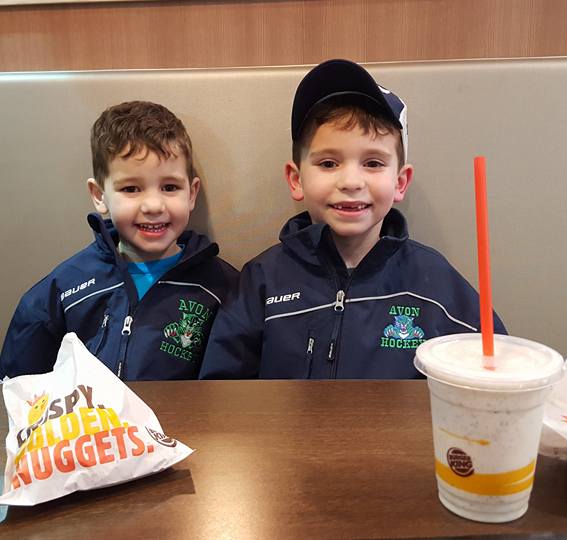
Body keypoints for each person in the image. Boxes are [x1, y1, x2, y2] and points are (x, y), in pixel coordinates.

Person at [200, 59, 506, 379]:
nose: (350, 181)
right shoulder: (262, 280)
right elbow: (221, 393)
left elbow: (496, 373)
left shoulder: (435, 283)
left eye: (372, 163)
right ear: (295, 179)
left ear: (400, 182)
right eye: (329, 163)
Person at [0, 101, 238, 381]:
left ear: (191, 193)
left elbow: (231, 391)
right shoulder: (63, 290)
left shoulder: (223, 289)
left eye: (170, 187)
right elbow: (18, 388)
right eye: (131, 189)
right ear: (99, 195)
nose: (153, 205)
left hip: (182, 425)